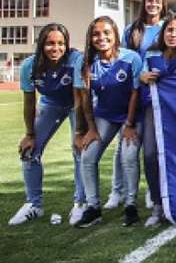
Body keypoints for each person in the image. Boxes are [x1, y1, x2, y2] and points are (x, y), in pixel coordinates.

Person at [9, 24, 86, 226]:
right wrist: (29, 134)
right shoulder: (30, 66)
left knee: (80, 150)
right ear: (42, 45)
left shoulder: (75, 60)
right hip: (50, 104)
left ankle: (80, 203)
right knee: (28, 151)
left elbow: (79, 98)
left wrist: (79, 132)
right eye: (50, 43)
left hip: (75, 104)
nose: (56, 48)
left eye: (61, 43)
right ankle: (34, 205)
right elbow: (29, 102)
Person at [73, 16, 143, 227]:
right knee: (87, 155)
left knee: (129, 155)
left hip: (132, 115)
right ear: (90, 37)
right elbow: (84, 99)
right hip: (104, 115)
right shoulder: (84, 61)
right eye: (96, 34)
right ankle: (93, 207)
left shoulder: (131, 58)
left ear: (115, 35)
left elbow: (135, 93)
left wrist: (129, 125)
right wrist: (90, 129)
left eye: (106, 33)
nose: (101, 37)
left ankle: (131, 205)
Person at [111, 0, 166, 210]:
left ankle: (150, 191)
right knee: (124, 145)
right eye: (150, 0)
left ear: (163, 5)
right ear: (144, 3)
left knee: (153, 147)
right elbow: (124, 58)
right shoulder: (132, 29)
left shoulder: (166, 28)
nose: (153, 4)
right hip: (135, 89)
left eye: (158, 1)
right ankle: (117, 191)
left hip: (157, 92)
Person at [139, 13, 176, 226]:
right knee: (151, 154)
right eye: (170, 30)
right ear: (163, 32)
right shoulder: (152, 53)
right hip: (153, 111)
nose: (173, 34)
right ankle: (157, 203)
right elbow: (141, 74)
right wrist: (142, 77)